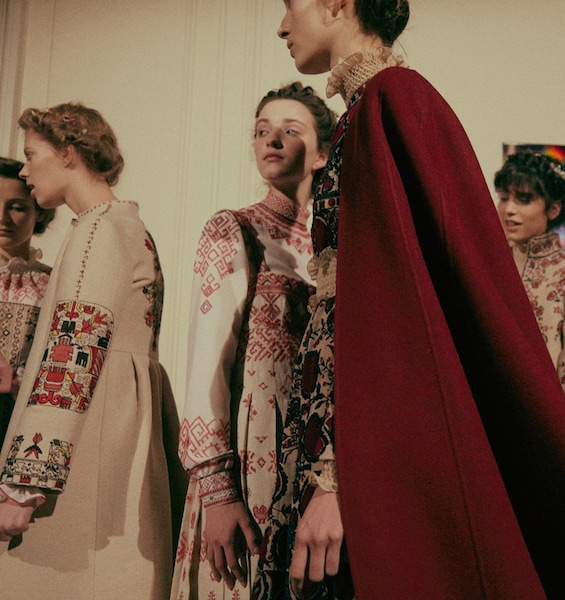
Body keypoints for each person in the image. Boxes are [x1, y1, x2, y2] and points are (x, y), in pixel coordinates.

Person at [275, 2, 565, 599]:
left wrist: (341, 478)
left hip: (363, 453)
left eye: (290, 5)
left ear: (338, 4)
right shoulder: (365, 112)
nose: (281, 26)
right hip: (343, 435)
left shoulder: (394, 99)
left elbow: (393, 319)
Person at [0, 103, 182, 599]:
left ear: (68, 153)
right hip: (114, 431)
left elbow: (72, 355)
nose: (24, 169)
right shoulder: (125, 225)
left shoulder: (98, 229)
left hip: (89, 450)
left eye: (32, 154)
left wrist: (23, 486)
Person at [171, 82, 336, 600]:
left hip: (311, 449)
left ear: (324, 151)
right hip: (249, 449)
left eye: (291, 131)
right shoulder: (233, 229)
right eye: (263, 131)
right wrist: (218, 494)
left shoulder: (338, 242)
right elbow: (206, 366)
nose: (272, 141)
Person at [494, 150, 565, 453]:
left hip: (544, 443)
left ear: (553, 209)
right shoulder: (491, 275)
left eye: (524, 199)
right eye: (504, 197)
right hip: (491, 435)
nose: (509, 210)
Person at [0, 157, 55, 443]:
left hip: (27, 426)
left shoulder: (56, 284)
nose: (2, 217)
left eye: (17, 207)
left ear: (40, 213)